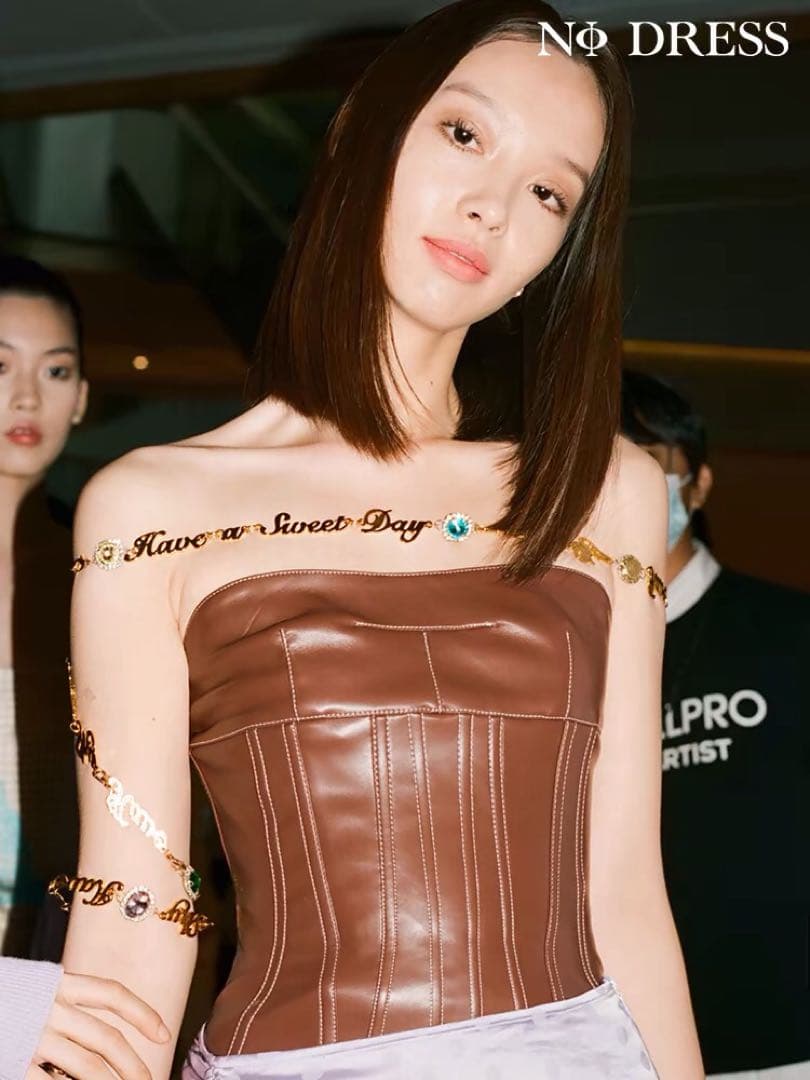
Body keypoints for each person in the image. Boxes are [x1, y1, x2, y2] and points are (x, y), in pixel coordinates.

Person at [58, 2, 703, 1077]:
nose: (494, 207)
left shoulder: (605, 492)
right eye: (464, 133)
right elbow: (135, 911)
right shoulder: (153, 508)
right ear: (363, 131)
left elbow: (627, 890)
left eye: (550, 193)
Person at [622, 369, 810, 1078]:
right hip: (630, 1044)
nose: (622, 484)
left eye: (646, 459)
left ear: (697, 485)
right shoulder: (563, 658)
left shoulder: (789, 631)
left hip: (787, 1040)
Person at [0, 255, 89, 958]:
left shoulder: (106, 580)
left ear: (81, 397)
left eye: (55, 371)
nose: (27, 398)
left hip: (48, 961)